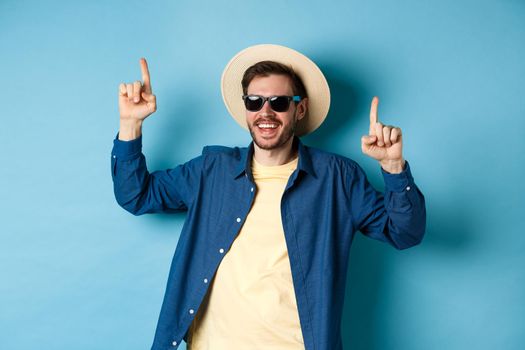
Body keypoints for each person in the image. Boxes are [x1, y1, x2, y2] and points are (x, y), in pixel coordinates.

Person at [111, 44, 426, 350]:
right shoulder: (212, 170)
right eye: (255, 102)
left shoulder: (337, 178)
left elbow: (405, 232)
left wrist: (394, 167)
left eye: (278, 102)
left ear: (299, 108)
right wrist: (130, 123)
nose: (266, 112)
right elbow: (136, 195)